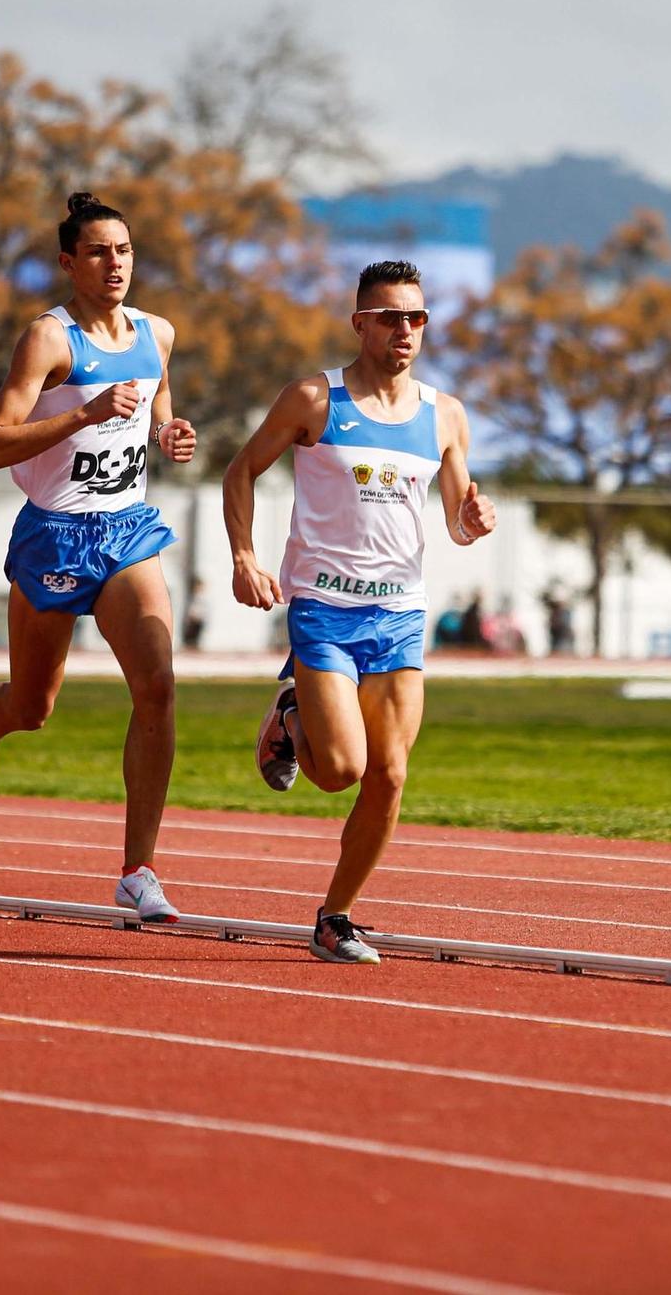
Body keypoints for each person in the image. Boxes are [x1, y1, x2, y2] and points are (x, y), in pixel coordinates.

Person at [222, 259, 496, 963]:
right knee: (340, 768)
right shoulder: (315, 398)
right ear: (360, 323)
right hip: (324, 609)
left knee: (392, 774)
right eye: (391, 317)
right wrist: (245, 557)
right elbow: (241, 470)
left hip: (400, 614)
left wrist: (474, 516)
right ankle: (289, 716)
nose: (406, 330)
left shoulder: (445, 414)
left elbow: (458, 523)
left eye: (417, 317)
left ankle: (335, 916)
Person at [0, 192, 197, 924]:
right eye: (96, 252)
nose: (113, 263)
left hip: (125, 533)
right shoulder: (47, 341)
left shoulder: (158, 334)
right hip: (53, 534)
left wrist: (171, 435)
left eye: (123, 250)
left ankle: (138, 869)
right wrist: (81, 413)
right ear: (68, 262)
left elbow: (157, 412)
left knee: (157, 685)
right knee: (33, 705)